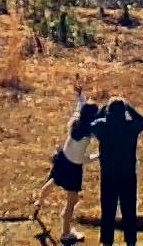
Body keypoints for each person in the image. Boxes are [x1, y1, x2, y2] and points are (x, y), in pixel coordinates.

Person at [33, 84, 101, 244]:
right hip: (73, 167)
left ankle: (40, 201)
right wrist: (98, 156)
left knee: (54, 181)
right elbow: (81, 159)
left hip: (63, 158)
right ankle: (65, 233)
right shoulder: (86, 136)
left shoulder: (75, 123)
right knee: (72, 201)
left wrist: (80, 95)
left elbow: (81, 107)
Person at [90, 97, 143, 246]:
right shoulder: (130, 127)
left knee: (108, 210)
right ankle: (130, 241)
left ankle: (107, 241)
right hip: (128, 175)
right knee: (129, 210)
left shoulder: (103, 127)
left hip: (108, 176)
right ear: (124, 113)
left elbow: (92, 123)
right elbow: (142, 121)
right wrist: (129, 107)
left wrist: (103, 109)